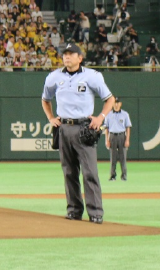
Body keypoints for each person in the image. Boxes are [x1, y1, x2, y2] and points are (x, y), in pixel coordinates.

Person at [41, 43, 115, 224]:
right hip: (64, 127)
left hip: (84, 127)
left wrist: (101, 118)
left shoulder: (92, 76)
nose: (67, 57)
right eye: (65, 54)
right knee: (69, 172)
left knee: (90, 172)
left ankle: (96, 212)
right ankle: (74, 210)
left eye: (71, 54)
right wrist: (51, 117)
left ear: (80, 58)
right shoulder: (54, 77)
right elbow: (45, 99)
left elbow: (109, 99)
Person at [103, 97, 131, 181]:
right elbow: (106, 128)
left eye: (117, 102)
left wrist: (127, 140)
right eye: (115, 102)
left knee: (123, 157)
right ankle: (112, 176)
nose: (116, 104)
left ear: (120, 104)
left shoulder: (125, 114)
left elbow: (128, 128)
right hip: (112, 136)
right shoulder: (108, 114)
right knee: (113, 158)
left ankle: (124, 175)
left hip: (122, 135)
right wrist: (106, 140)